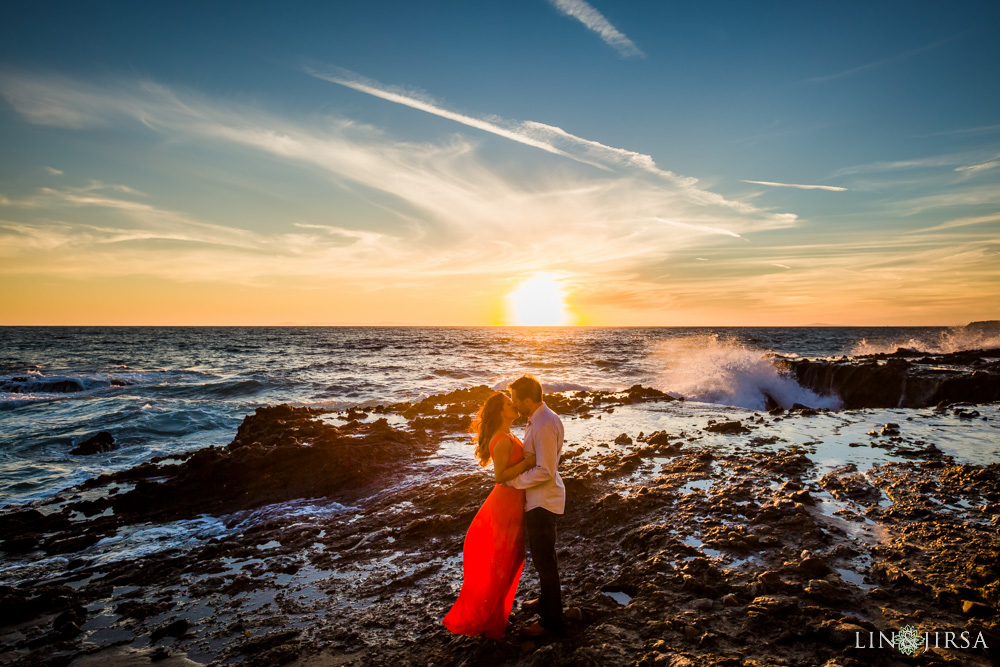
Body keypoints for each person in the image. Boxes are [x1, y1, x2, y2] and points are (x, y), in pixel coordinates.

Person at [443, 391, 537, 640]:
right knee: (503, 561)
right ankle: (490, 616)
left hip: (511, 503)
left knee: (513, 559)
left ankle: (497, 611)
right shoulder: (504, 440)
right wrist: (530, 463)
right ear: (500, 411)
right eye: (509, 404)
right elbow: (500, 477)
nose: (514, 405)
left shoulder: (508, 435)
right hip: (504, 504)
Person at [505, 375, 566, 637]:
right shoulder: (540, 419)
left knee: (545, 562)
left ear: (528, 400)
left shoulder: (543, 424)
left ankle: (551, 622)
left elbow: (546, 470)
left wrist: (515, 481)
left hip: (543, 500)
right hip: (539, 499)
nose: (514, 405)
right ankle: (544, 602)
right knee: (543, 561)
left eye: (516, 400)